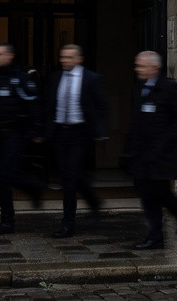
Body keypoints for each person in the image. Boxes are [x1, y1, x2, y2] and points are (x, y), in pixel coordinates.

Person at [0, 43, 45, 234]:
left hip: (15, 133)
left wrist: (37, 130)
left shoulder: (20, 77)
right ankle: (7, 220)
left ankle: (30, 190)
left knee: (7, 174)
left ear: (10, 56)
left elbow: (33, 103)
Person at [41, 43, 109, 238]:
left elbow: (101, 105)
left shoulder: (92, 79)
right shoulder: (55, 78)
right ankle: (94, 202)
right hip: (61, 133)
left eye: (69, 57)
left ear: (79, 59)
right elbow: (48, 105)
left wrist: (99, 130)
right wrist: (46, 130)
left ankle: (68, 223)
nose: (64, 60)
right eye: (63, 57)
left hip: (80, 133)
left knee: (69, 179)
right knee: (71, 175)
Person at [125, 51, 177, 249]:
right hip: (142, 154)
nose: (138, 69)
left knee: (160, 193)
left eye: (142, 66)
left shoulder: (169, 88)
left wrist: (167, 142)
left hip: (162, 154)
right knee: (146, 194)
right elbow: (136, 121)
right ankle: (155, 236)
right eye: (137, 65)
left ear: (154, 68)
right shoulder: (140, 87)